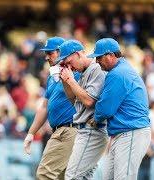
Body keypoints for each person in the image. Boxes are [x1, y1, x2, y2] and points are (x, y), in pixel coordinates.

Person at [88, 38, 151, 179]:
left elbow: (105, 109)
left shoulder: (118, 73)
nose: (96, 61)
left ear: (110, 55)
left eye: (99, 57)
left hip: (132, 131)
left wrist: (96, 118)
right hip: (124, 132)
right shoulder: (122, 69)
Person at [23, 37, 80, 179]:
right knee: (63, 177)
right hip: (59, 131)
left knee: (45, 174)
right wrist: (31, 133)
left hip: (71, 130)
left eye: (50, 53)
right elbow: (44, 107)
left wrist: (68, 77)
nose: (47, 57)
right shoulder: (52, 77)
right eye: (46, 53)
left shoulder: (77, 72)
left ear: (62, 52)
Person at [57, 40, 108, 179]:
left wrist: (71, 81)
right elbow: (74, 100)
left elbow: (89, 101)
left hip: (93, 130)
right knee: (83, 177)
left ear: (78, 53)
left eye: (68, 61)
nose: (68, 65)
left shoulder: (96, 68)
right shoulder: (83, 71)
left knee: (72, 176)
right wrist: (65, 80)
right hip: (85, 129)